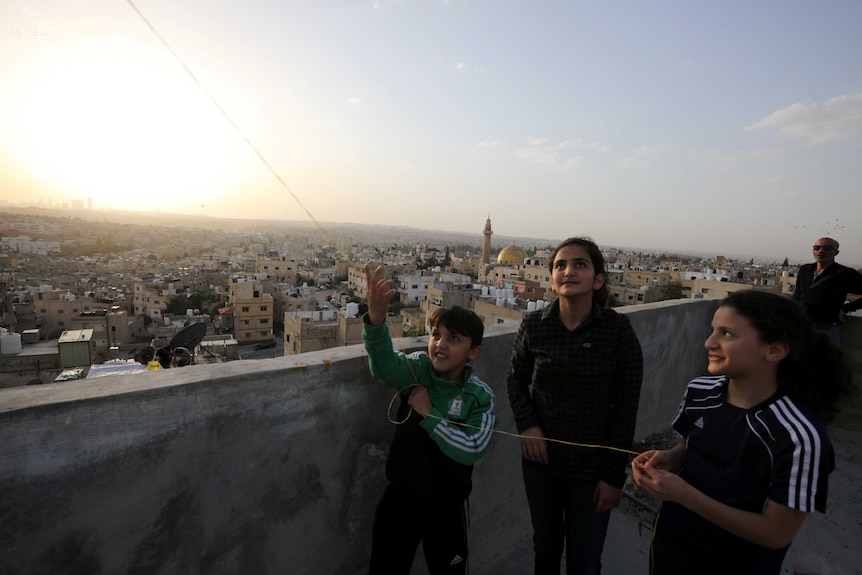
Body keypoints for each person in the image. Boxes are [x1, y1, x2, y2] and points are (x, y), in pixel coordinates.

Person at [632, 291, 849, 575]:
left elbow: (775, 533)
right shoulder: (700, 391)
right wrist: (672, 457)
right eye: (712, 331)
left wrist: (685, 495)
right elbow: (692, 443)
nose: (709, 343)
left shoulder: (799, 436)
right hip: (672, 546)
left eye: (727, 334)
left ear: (773, 350)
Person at [507, 237, 644, 575]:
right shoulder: (534, 326)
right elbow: (515, 379)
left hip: (591, 469)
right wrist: (528, 425)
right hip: (542, 464)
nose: (568, 271)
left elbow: (626, 408)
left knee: (584, 558)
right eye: (560, 265)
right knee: (547, 548)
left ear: (598, 280)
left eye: (579, 264)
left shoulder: (617, 331)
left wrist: (614, 477)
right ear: (551, 278)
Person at [362, 264, 496, 575]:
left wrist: (429, 413)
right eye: (436, 335)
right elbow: (383, 368)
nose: (440, 344)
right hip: (401, 498)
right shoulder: (419, 369)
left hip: (446, 506)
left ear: (473, 352)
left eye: (454, 338)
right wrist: (377, 322)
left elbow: (472, 447)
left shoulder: (479, 396)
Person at [793, 237, 862, 343]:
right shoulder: (805, 270)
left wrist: (847, 308)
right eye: (817, 247)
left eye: (827, 248)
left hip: (827, 328)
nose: (821, 251)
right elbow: (797, 295)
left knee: (825, 359)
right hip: (801, 326)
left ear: (836, 252)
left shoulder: (845, 273)